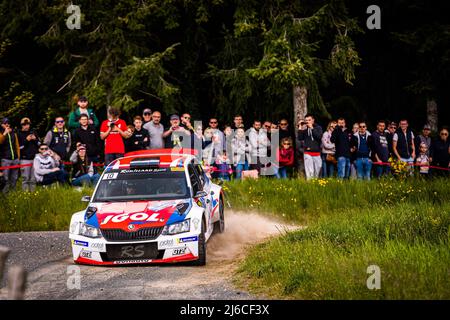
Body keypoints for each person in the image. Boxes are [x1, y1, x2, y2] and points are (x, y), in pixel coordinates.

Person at [298, 114, 323, 180]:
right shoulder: (304, 129)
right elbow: (300, 138)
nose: (308, 122)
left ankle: (315, 183)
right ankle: (310, 184)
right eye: (306, 120)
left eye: (309, 120)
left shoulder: (318, 128)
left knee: (318, 168)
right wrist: (300, 127)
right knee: (310, 171)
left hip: (317, 152)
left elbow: (319, 137)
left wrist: (312, 128)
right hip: (307, 152)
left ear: (313, 120)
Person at [17, 117, 40, 192]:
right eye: (24, 125)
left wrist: (35, 139)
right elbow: (19, 148)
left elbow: (40, 145)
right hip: (24, 159)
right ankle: (25, 195)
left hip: (35, 158)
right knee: (25, 178)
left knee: (33, 179)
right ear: (21, 125)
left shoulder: (33, 132)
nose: (27, 126)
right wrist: (26, 140)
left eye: (28, 124)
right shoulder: (18, 133)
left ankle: (32, 194)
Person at [0, 118, 20, 193]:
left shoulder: (13, 133)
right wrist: (4, 133)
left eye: (8, 123)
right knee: (5, 179)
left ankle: (13, 194)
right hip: (5, 159)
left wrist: (18, 157)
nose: (7, 125)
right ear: (2, 124)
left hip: (15, 159)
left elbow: (17, 146)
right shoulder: (1, 133)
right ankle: (5, 195)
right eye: (5, 123)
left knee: (14, 178)